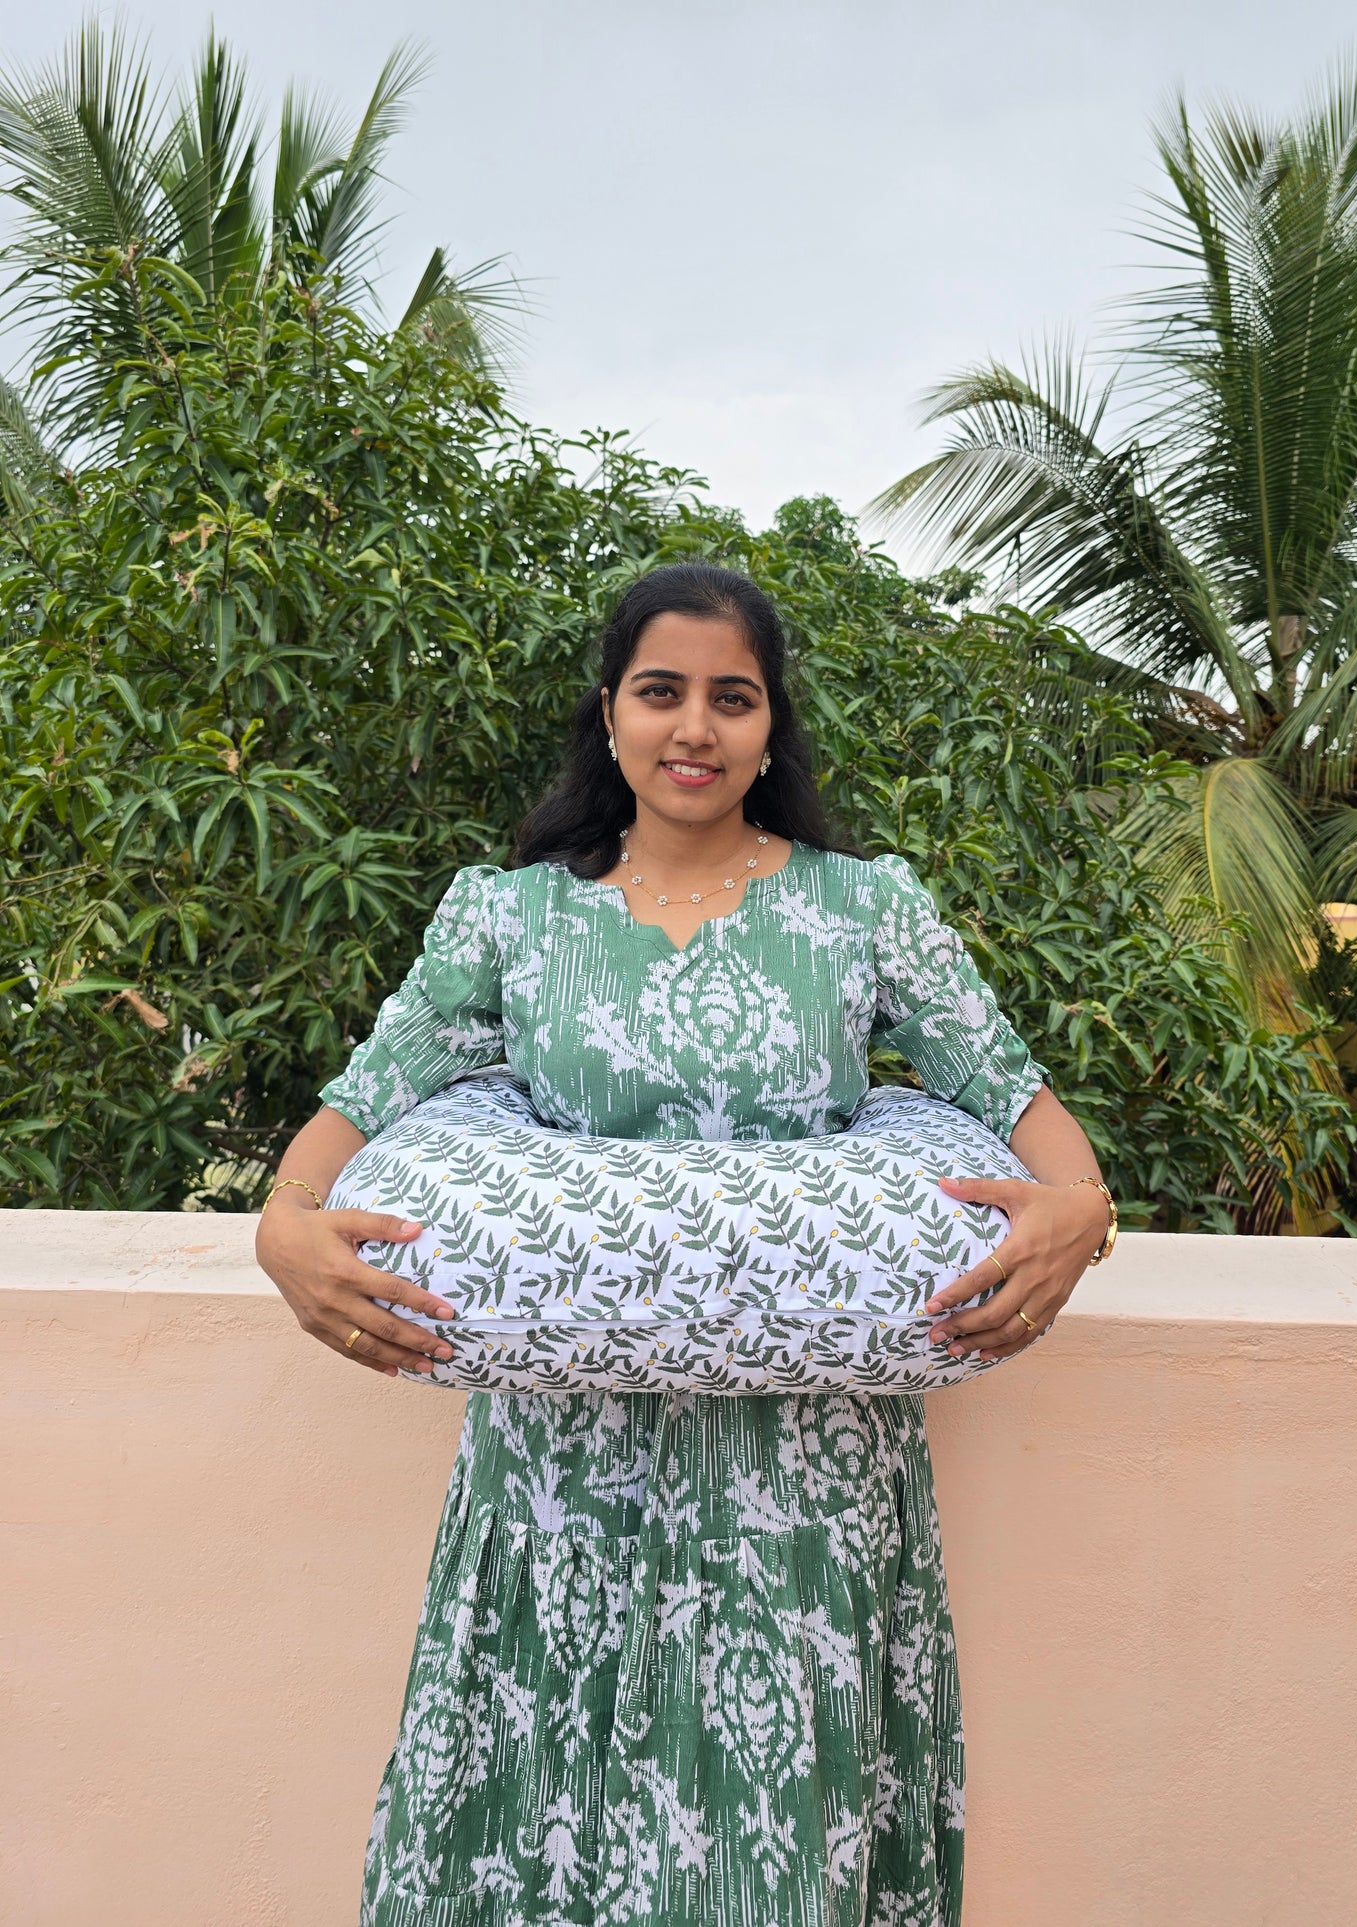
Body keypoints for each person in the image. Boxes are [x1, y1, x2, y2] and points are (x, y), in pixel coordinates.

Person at [254, 562, 1115, 1927]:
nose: (694, 729)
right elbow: (365, 1096)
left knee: (774, 1831)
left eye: (732, 697)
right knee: (547, 1803)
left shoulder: (863, 906)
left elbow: (1005, 1089)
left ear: (773, 727)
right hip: (562, 1461)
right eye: (661, 693)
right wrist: (283, 1229)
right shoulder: (510, 914)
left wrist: (1081, 1209)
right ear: (610, 714)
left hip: (806, 1458)